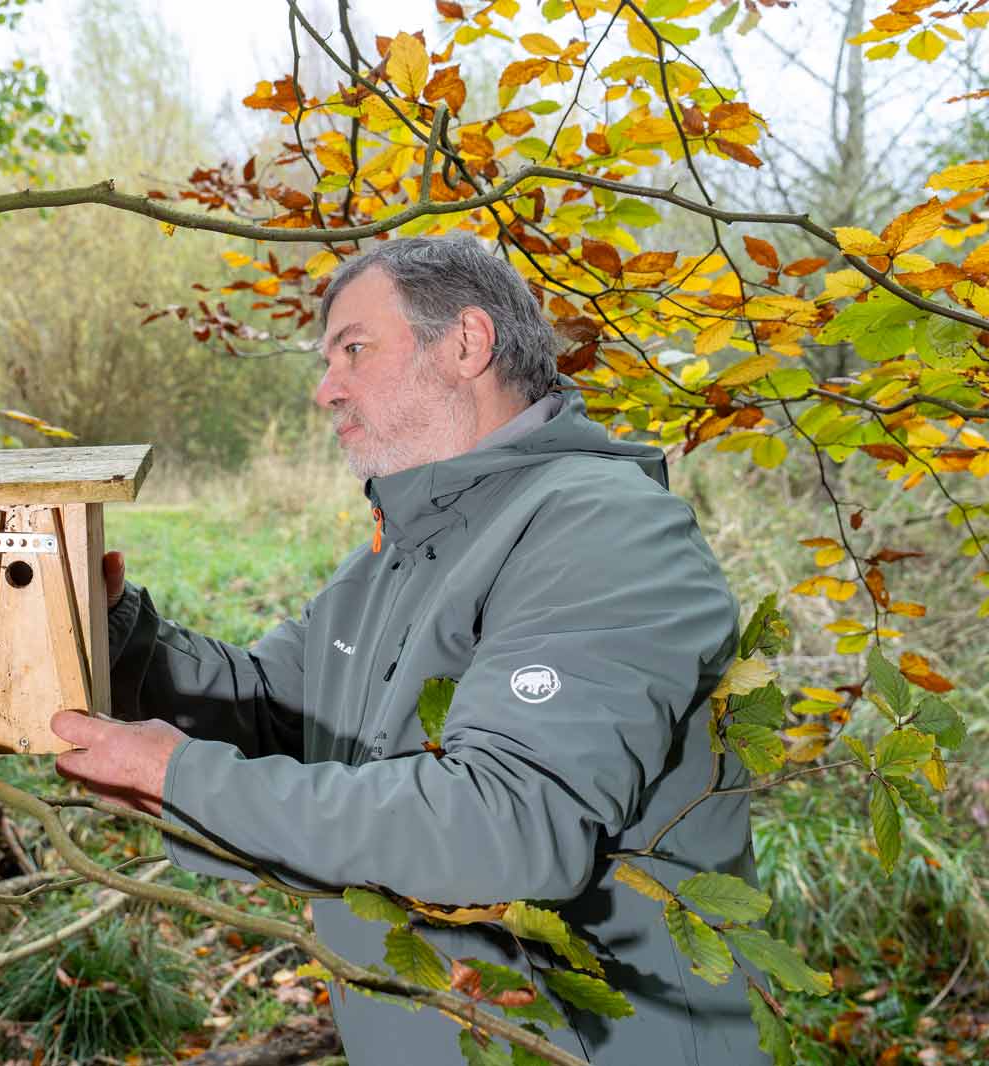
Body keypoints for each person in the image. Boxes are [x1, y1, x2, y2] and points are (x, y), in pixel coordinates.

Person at [49, 235, 767, 1065]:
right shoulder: (398, 554)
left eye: (353, 349)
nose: (326, 389)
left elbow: (506, 825)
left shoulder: (603, 526)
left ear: (466, 342)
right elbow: (272, 707)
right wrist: (105, 629)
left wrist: (180, 778)